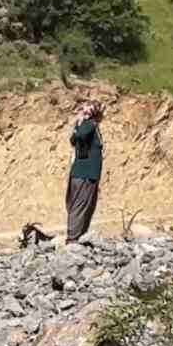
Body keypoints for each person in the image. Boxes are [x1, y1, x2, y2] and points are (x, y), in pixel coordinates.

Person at [66, 100, 104, 244]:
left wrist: (78, 125)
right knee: (81, 205)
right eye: (86, 109)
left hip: (83, 174)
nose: (87, 111)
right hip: (85, 174)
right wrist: (81, 123)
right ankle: (73, 238)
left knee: (81, 204)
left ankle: (77, 236)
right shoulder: (89, 124)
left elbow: (75, 138)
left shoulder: (87, 125)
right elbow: (79, 136)